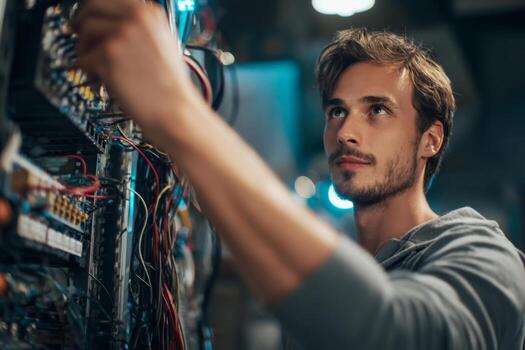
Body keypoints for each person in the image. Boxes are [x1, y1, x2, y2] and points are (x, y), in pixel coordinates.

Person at [74, 0, 525, 349]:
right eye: (336, 111)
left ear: (430, 139)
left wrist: (176, 111)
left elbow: (394, 335)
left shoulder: (483, 253)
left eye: (378, 111)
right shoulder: (333, 276)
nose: (346, 131)